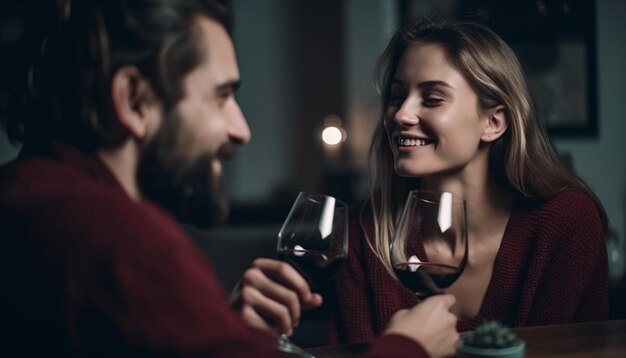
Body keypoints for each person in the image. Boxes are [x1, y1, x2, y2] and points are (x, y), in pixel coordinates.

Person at [0, 1, 459, 356]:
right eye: (221, 96)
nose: (241, 129)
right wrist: (409, 349)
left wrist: (229, 331)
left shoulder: (28, 194)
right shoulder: (123, 241)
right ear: (133, 100)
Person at [332, 19, 610, 343]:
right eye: (397, 96)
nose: (400, 115)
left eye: (432, 98)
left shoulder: (567, 223)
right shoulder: (362, 233)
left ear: (493, 122)